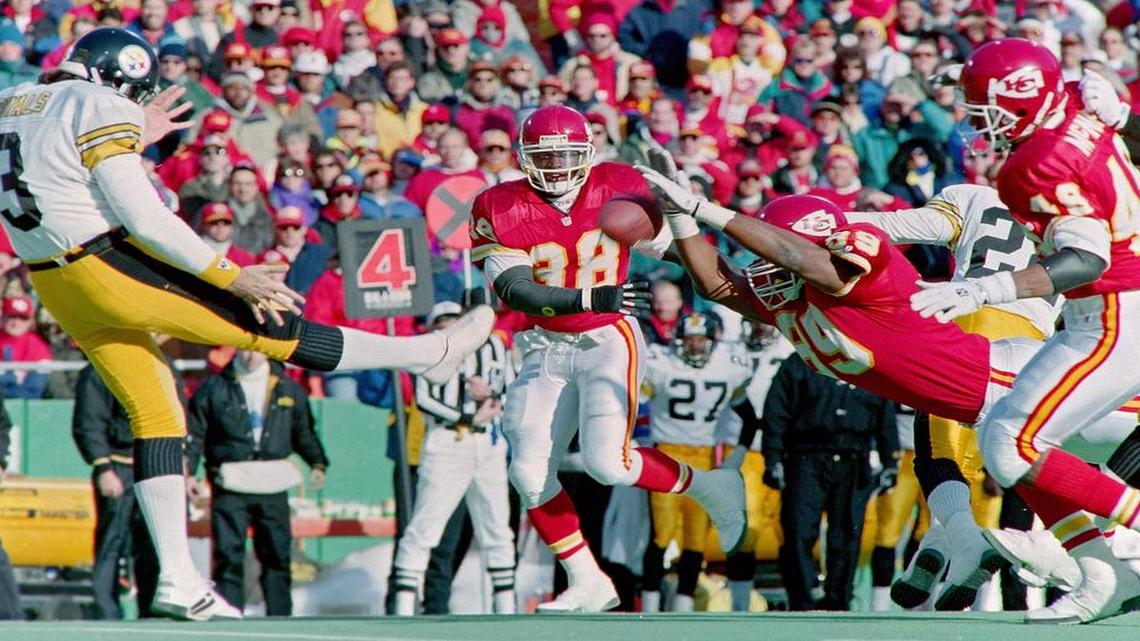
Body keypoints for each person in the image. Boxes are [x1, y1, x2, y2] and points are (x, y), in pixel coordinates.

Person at [0, 28, 493, 621]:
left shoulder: (16, 99)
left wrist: (139, 138)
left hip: (54, 281)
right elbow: (143, 214)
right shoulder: (98, 105)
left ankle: (179, 579)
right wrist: (228, 273)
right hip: (105, 262)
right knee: (273, 321)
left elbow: (61, 172)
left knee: (158, 415)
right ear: (119, 76)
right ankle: (428, 353)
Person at [635, 167, 1140, 614]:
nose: (767, 275)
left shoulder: (856, 269)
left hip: (1008, 376)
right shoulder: (791, 306)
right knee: (1020, 463)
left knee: (1047, 453)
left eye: (776, 262)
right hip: (981, 404)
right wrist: (680, 219)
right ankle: (1101, 572)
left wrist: (707, 208)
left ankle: (1111, 539)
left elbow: (805, 259)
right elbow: (716, 285)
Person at [469, 104, 746, 612]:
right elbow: (516, 290)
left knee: (607, 464)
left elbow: (681, 254)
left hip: (606, 338)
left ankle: (709, 485)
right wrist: (587, 298)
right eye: (544, 157)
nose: (554, 169)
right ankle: (586, 579)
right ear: (524, 158)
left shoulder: (616, 184)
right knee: (528, 473)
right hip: (546, 342)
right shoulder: (498, 204)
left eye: (565, 156)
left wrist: (686, 220)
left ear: (588, 153)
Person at [907, 40, 1140, 623]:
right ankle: (1102, 572)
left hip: (1114, 311)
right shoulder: (1079, 104)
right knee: (999, 439)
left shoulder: (1031, 165)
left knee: (1011, 444)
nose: (980, 122)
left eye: (988, 108)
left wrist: (981, 288)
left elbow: (1087, 261)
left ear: (1022, 100)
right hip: (1100, 311)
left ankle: (1126, 528)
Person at [392, 302, 517, 615]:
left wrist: (490, 394)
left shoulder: (495, 346)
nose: (449, 327)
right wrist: (469, 412)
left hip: (487, 443)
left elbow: (514, 388)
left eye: (454, 321)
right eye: (442, 323)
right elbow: (424, 399)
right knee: (426, 523)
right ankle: (404, 604)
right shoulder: (428, 351)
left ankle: (506, 604)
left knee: (497, 525)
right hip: (448, 440)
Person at [186, 349, 327, 616]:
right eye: (245, 348)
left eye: (257, 349)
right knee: (229, 555)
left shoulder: (289, 389)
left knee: (276, 555)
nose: (251, 356)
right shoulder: (214, 389)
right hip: (230, 482)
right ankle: (228, 616)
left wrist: (318, 462)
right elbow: (196, 435)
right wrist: (189, 472)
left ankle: (280, 617)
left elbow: (304, 432)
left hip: (272, 483)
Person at [639, 312, 757, 613]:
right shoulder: (660, 363)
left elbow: (750, 418)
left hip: (703, 458)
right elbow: (634, 400)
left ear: (711, 340)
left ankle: (684, 605)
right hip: (665, 455)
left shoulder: (729, 367)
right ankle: (650, 606)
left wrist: (739, 452)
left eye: (700, 340)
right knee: (661, 534)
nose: (694, 346)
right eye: (689, 340)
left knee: (696, 537)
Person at [762, 353, 898, 611]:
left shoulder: (869, 362)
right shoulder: (800, 360)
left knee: (847, 532)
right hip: (807, 455)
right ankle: (801, 599)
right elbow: (776, 411)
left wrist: (890, 458)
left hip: (854, 458)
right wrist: (773, 456)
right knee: (798, 529)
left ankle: (839, 599)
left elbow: (884, 413)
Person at [73, 361, 166, 619]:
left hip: (154, 467)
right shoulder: (99, 370)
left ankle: (154, 613)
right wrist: (103, 466)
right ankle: (106, 612)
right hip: (118, 467)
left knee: (154, 546)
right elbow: (88, 420)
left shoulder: (160, 366)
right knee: (111, 544)